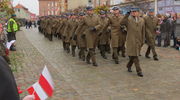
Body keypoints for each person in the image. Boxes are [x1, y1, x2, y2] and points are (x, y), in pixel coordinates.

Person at [121, 7, 145, 77]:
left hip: (139, 41)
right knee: (135, 56)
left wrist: (143, 40)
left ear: (138, 12)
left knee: (134, 55)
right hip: (131, 40)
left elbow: (143, 31)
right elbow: (122, 23)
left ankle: (128, 65)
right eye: (132, 12)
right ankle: (139, 71)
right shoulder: (128, 19)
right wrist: (126, 15)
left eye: (135, 11)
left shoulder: (142, 20)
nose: (134, 13)